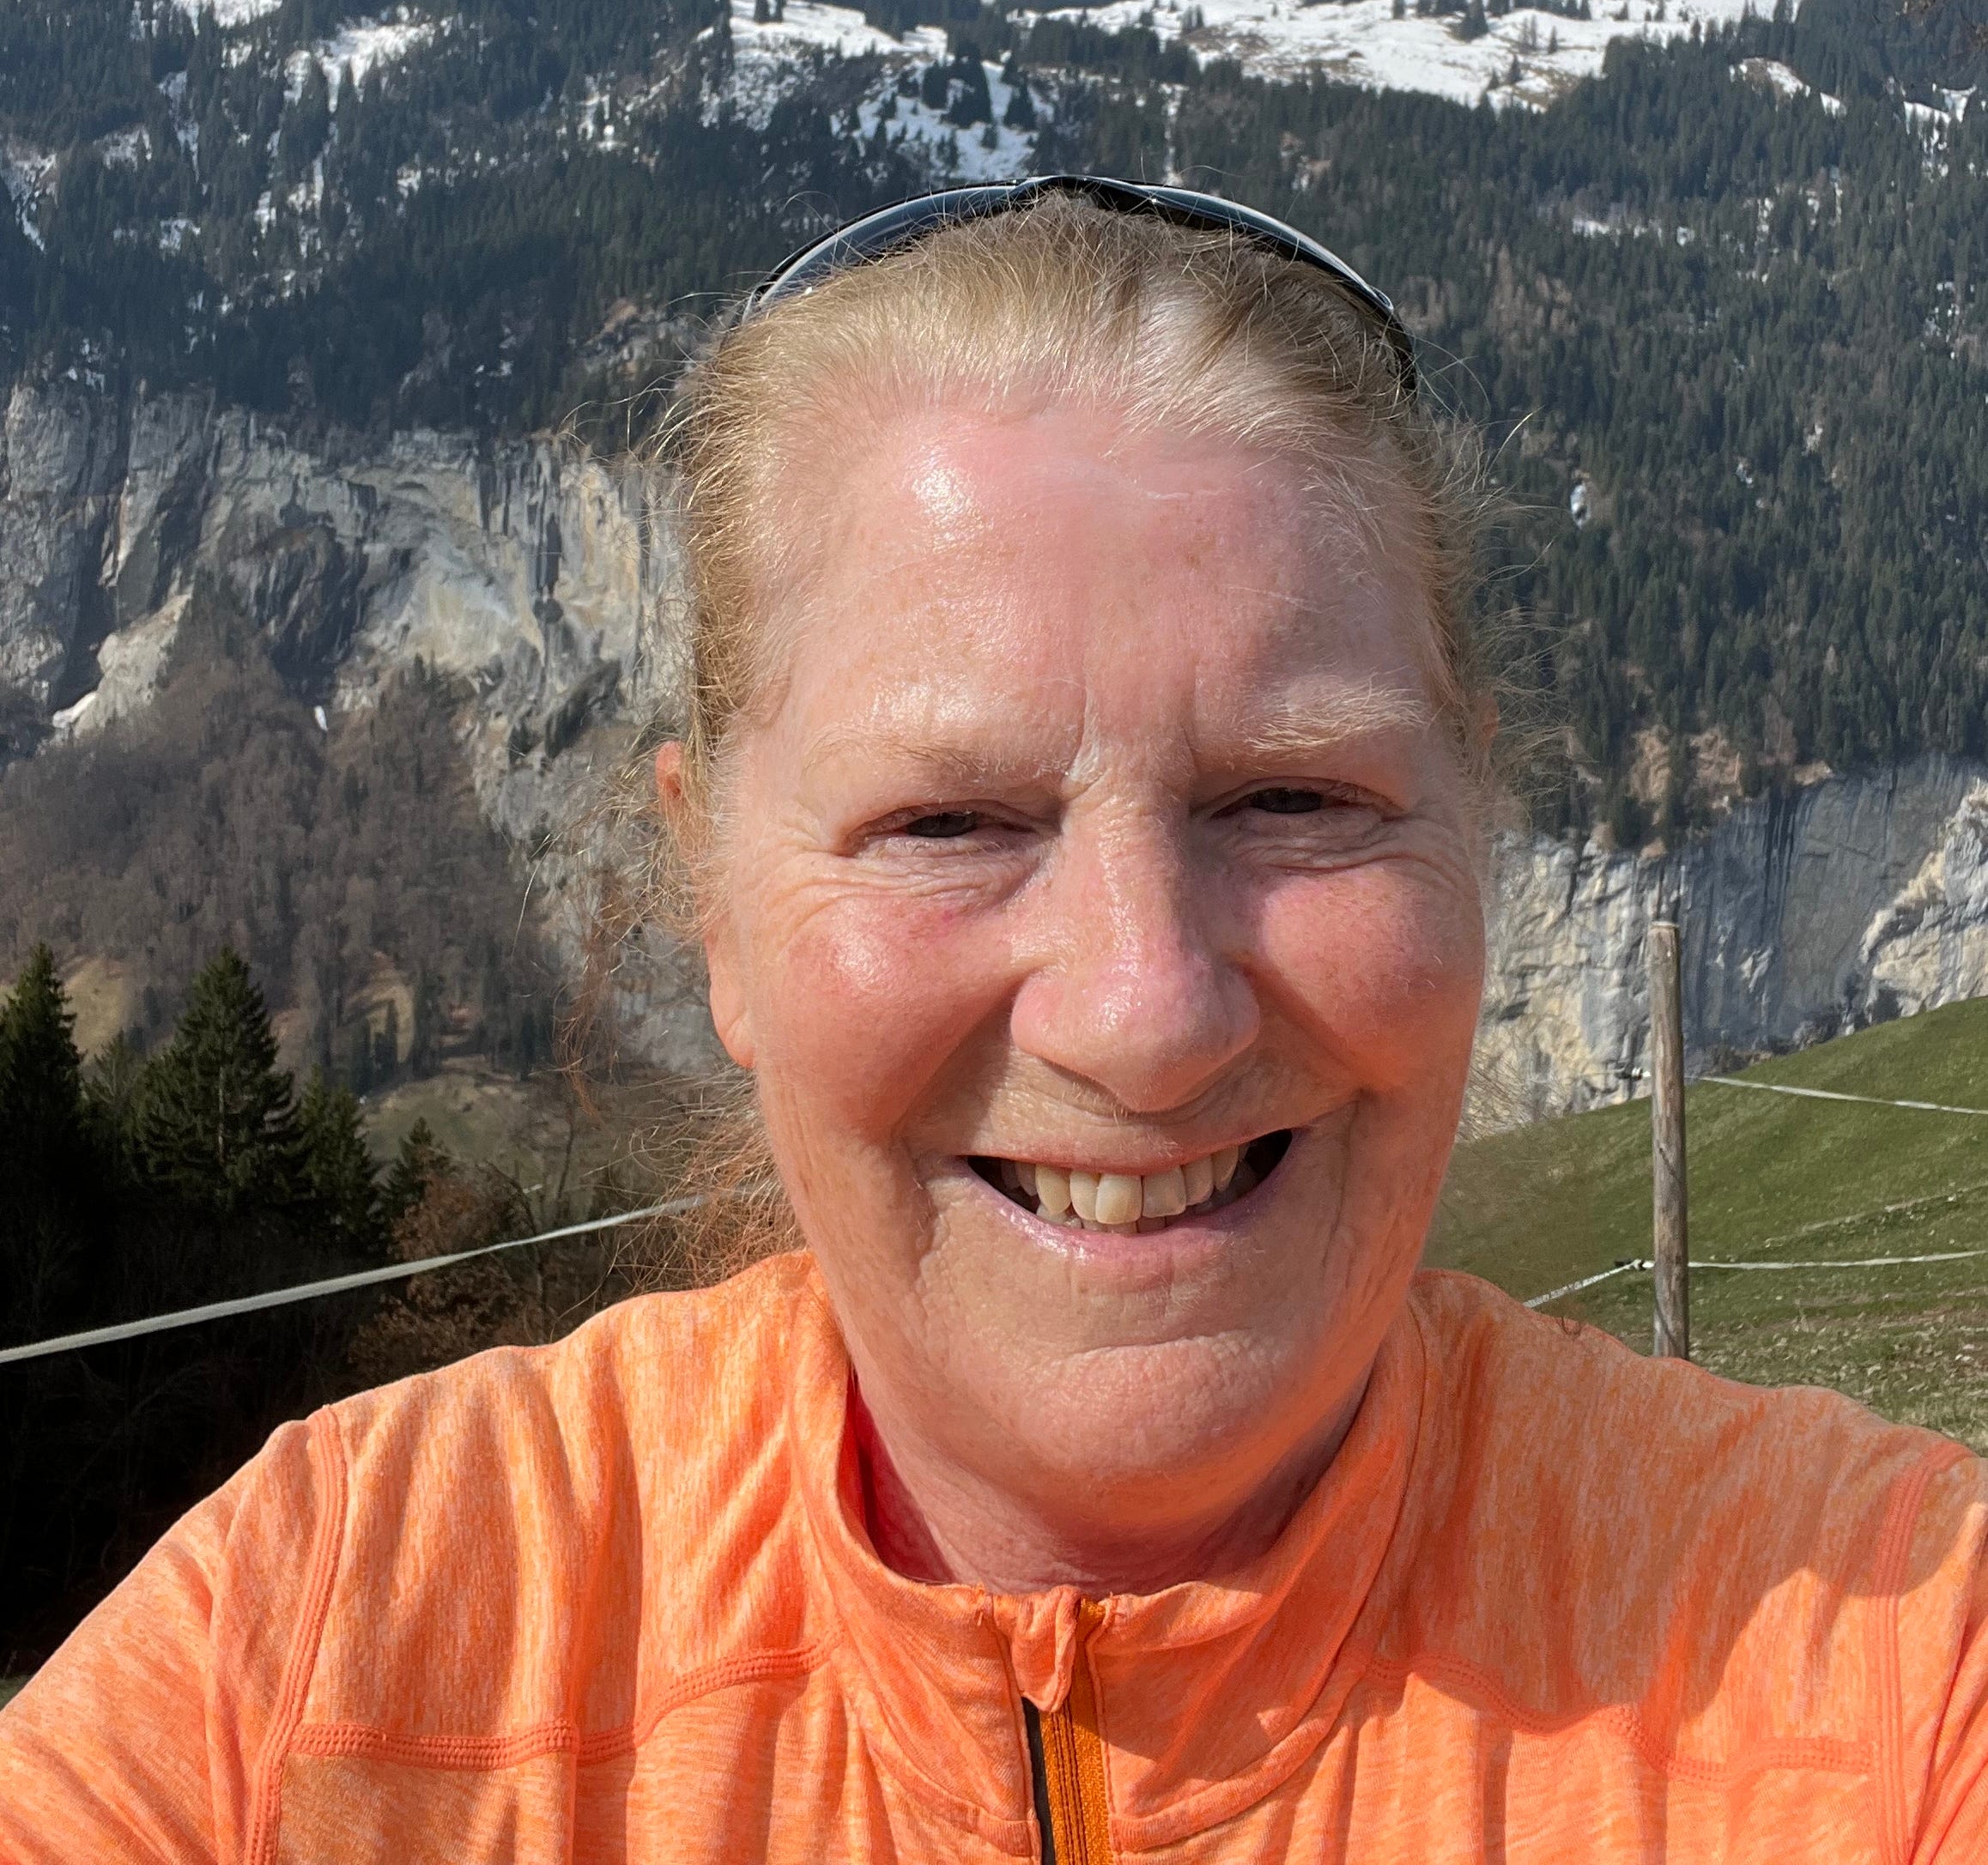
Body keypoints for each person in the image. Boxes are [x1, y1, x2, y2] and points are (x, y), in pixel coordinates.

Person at [1, 173, 1984, 1863]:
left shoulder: (1894, 1664)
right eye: (948, 822)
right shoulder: (308, 1665)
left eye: (1294, 797)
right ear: (712, 898)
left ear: (1478, 824)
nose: (1146, 1006)